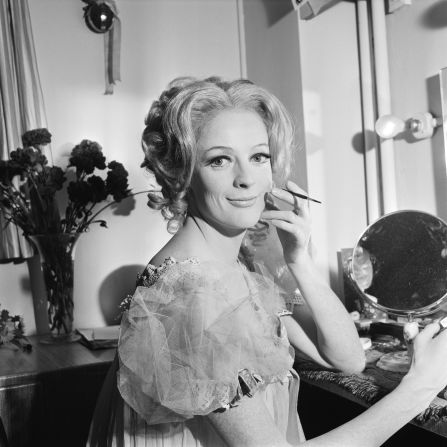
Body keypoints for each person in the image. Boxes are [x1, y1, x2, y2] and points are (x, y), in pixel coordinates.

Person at [87, 76, 447, 447]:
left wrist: (299, 259)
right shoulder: (193, 296)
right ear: (182, 174)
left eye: (259, 157)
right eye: (219, 160)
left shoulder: (234, 269)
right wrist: (418, 389)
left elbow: (348, 358)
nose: (247, 179)